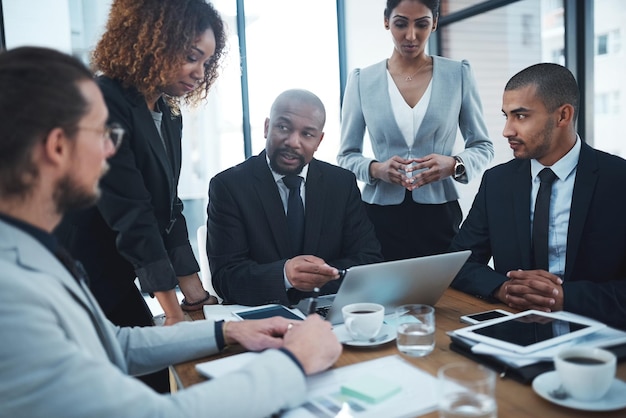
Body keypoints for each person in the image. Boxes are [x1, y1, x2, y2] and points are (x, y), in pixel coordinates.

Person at [0, 46, 342, 418]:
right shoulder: (11, 292)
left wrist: (227, 331)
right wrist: (294, 363)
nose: (112, 150)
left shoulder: (36, 250)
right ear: (57, 147)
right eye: (103, 133)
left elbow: (115, 345)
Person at [56, 0, 225, 331]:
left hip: (120, 268)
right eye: (192, 57)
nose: (200, 72)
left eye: (206, 62)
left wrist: (194, 295)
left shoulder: (168, 110)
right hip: (83, 272)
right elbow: (133, 213)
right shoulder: (103, 101)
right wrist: (173, 312)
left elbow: (169, 206)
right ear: (153, 44)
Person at [450, 62, 626, 331]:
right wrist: (503, 288)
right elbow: (458, 262)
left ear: (563, 116)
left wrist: (563, 297)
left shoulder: (618, 180)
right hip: (515, 333)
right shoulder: (496, 182)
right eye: (506, 116)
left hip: (599, 337)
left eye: (520, 116)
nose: (507, 130)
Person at [337, 0, 494, 262]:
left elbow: (483, 146)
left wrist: (454, 164)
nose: (411, 35)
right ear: (386, 21)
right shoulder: (362, 81)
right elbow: (345, 156)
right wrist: (377, 169)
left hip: (439, 213)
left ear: (434, 22)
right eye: (401, 24)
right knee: (385, 294)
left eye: (421, 24)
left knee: (446, 293)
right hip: (379, 215)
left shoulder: (458, 75)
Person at [207, 89, 383, 306]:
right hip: (260, 315)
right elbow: (226, 277)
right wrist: (285, 276)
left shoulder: (342, 183)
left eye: (307, 134)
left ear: (319, 140)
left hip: (328, 310)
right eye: (283, 127)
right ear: (266, 127)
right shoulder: (229, 186)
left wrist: (318, 279)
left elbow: (368, 259)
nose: (293, 142)